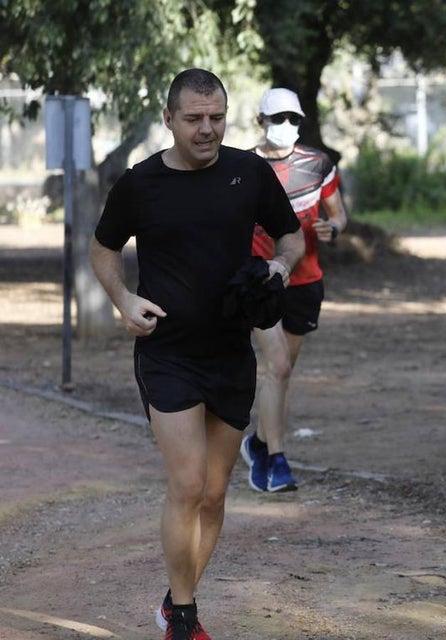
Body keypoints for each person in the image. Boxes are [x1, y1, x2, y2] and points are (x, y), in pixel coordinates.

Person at [89, 68, 304, 640]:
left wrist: (280, 266)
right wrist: (123, 299)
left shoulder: (248, 172)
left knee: (213, 493)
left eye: (216, 118)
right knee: (187, 484)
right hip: (167, 353)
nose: (206, 129)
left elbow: (290, 235)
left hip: (231, 351)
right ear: (169, 119)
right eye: (193, 119)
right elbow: (103, 249)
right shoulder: (141, 183)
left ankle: (175, 599)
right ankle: (184, 618)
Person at [240, 88, 349, 493]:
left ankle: (258, 443)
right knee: (278, 365)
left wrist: (332, 228)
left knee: (282, 373)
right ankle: (277, 462)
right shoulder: (242, 167)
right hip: (261, 280)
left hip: (305, 281)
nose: (286, 126)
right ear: (260, 121)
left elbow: (339, 215)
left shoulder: (318, 164)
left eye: (293, 119)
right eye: (277, 118)